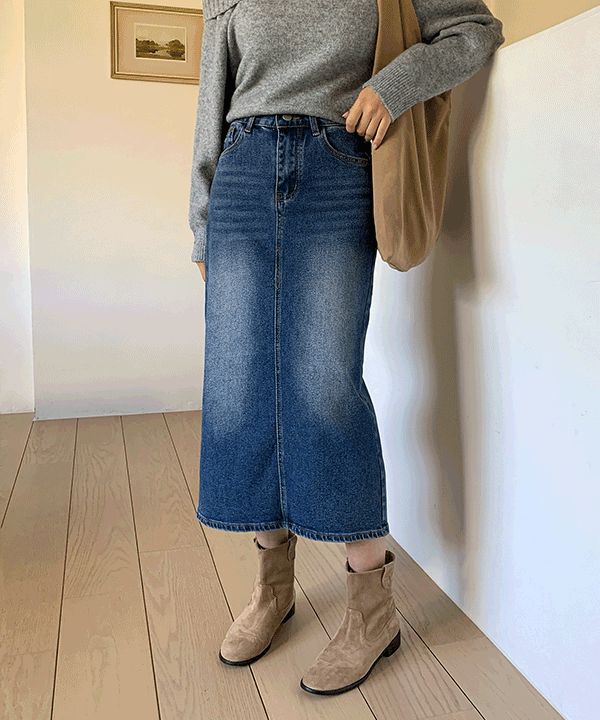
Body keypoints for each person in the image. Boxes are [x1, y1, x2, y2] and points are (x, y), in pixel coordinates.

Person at [189, 0, 504, 696]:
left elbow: (475, 30)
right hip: (241, 173)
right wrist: (201, 221)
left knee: (325, 382)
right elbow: (213, 94)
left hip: (337, 166)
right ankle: (274, 589)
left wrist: (394, 86)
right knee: (239, 382)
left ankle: (372, 612)